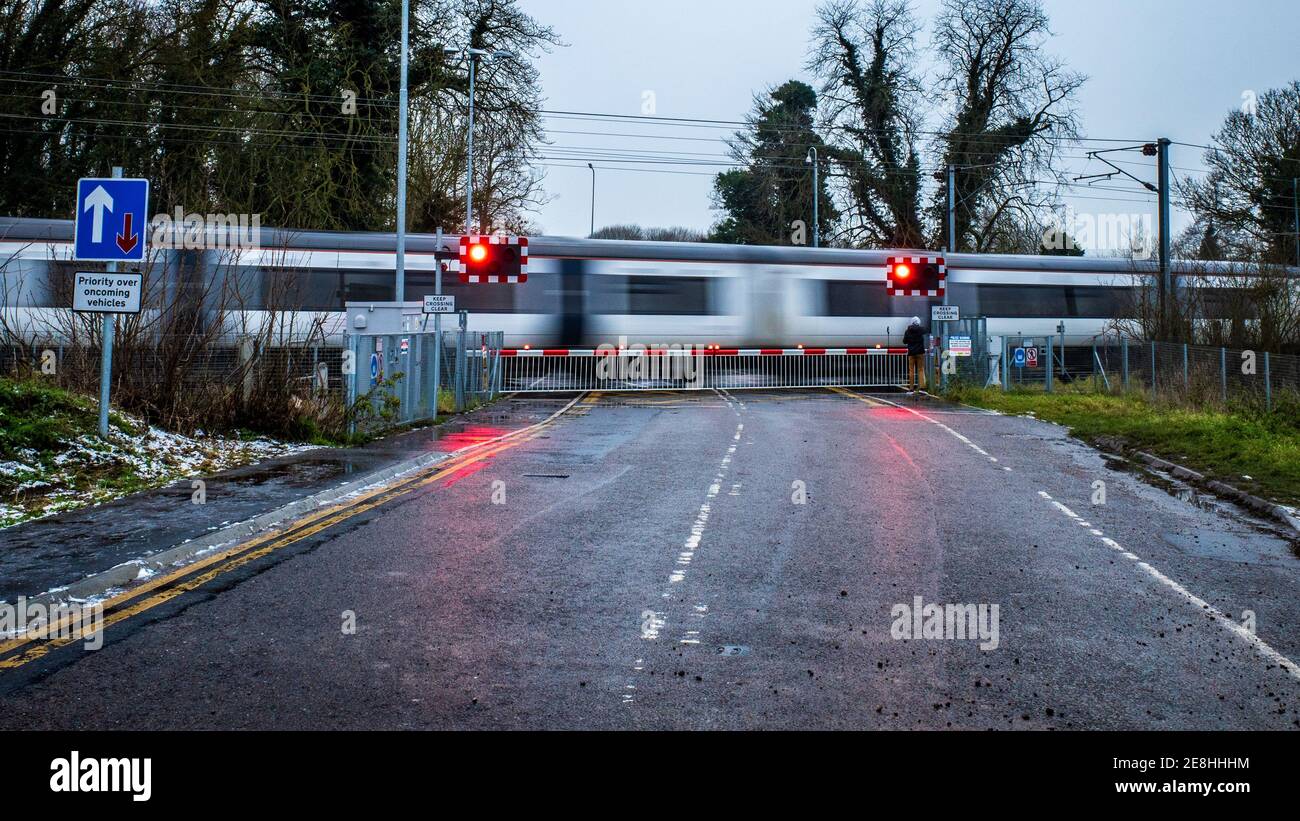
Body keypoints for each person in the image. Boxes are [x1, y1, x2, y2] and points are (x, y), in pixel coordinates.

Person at [902, 316, 926, 394]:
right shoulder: (921, 330)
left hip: (911, 353)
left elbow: (904, 341)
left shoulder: (907, 331)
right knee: (920, 370)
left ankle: (911, 389)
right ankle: (922, 388)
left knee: (911, 370)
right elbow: (926, 331)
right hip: (920, 353)